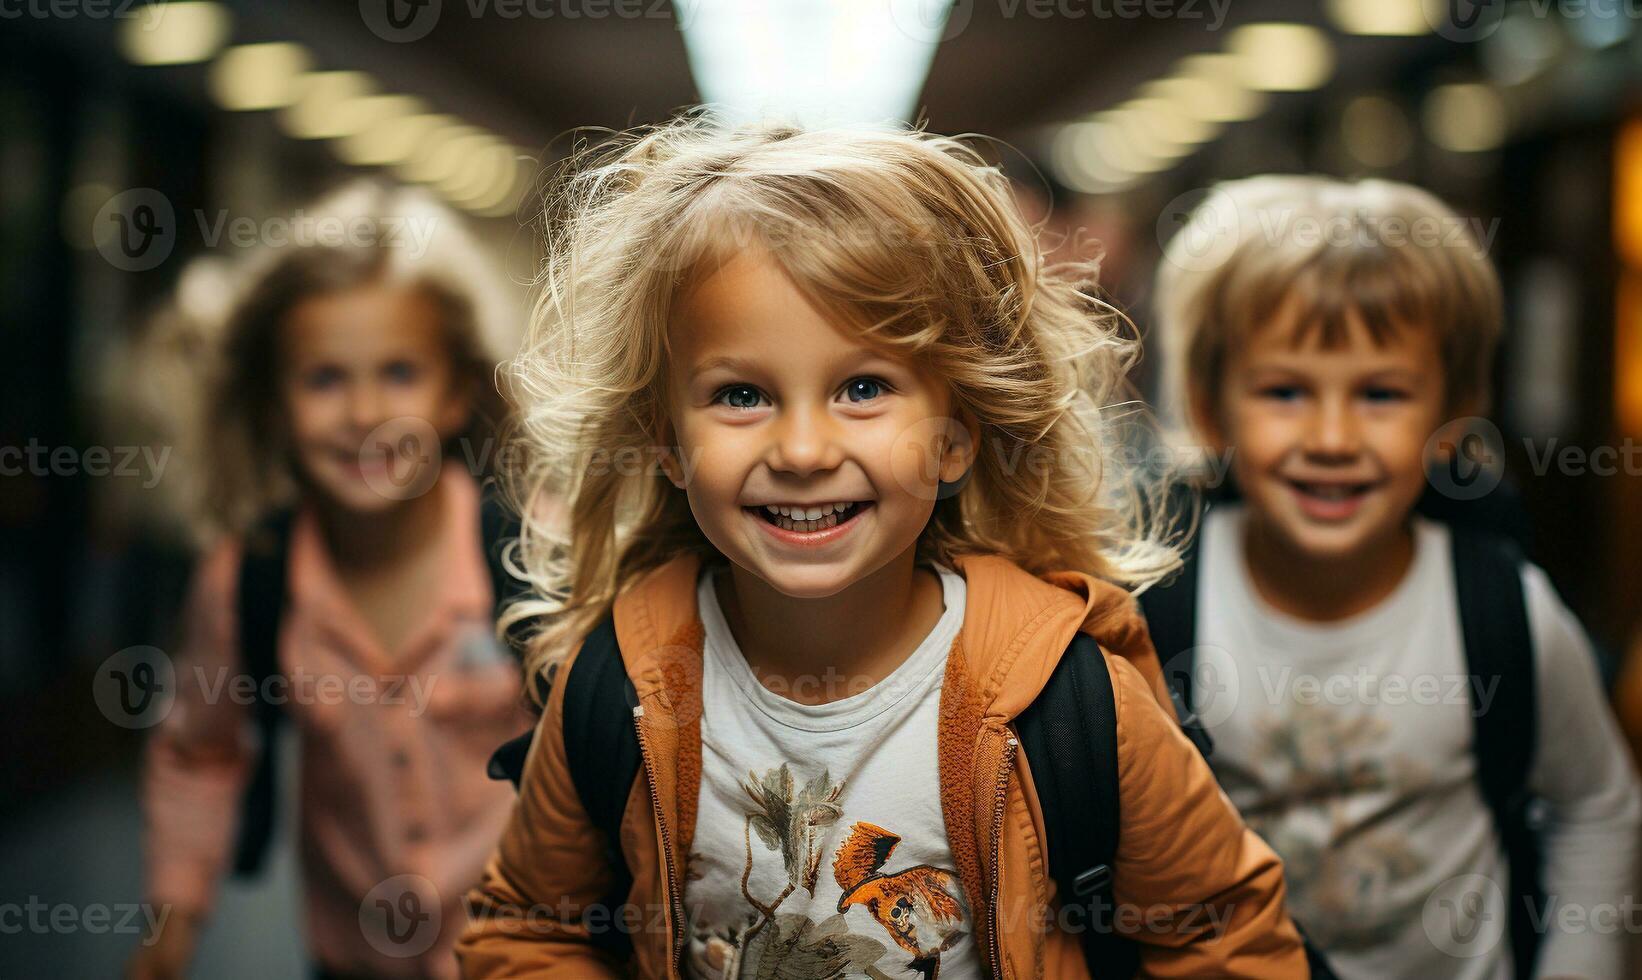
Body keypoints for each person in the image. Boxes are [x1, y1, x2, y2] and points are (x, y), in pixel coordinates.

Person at [457, 115, 1308, 978]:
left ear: (956, 435)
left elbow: (1223, 937)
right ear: (666, 442)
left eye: (863, 388)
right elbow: (528, 927)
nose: (801, 451)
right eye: (741, 394)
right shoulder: (620, 685)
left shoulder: (1069, 699)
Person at [1150, 175, 1642, 979]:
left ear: (1449, 420)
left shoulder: (1502, 613)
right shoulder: (1163, 605)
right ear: (1211, 409)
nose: (1334, 437)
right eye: (1283, 391)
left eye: (1381, 393)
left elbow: (1594, 801)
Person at [131, 182, 529, 980]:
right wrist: (173, 921)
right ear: (275, 403)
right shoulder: (251, 579)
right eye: (323, 380)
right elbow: (199, 754)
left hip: (524, 959)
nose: (364, 412)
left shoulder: (529, 554)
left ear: (455, 393)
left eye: (399, 373)